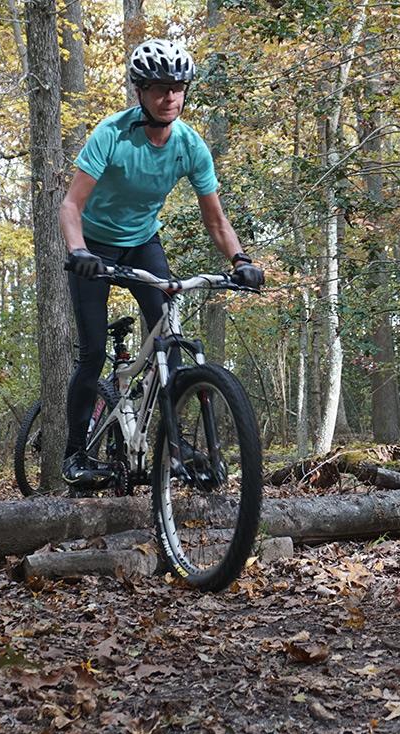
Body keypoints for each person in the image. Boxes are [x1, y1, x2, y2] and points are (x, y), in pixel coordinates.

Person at [58, 38, 262, 488]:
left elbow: (216, 220)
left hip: (142, 243)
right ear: (140, 92)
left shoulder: (190, 146)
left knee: (169, 339)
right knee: (92, 353)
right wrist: (78, 253)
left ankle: (173, 443)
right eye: (157, 88)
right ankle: (74, 454)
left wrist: (241, 259)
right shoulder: (111, 134)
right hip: (94, 247)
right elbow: (71, 206)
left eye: (177, 88)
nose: (168, 97)